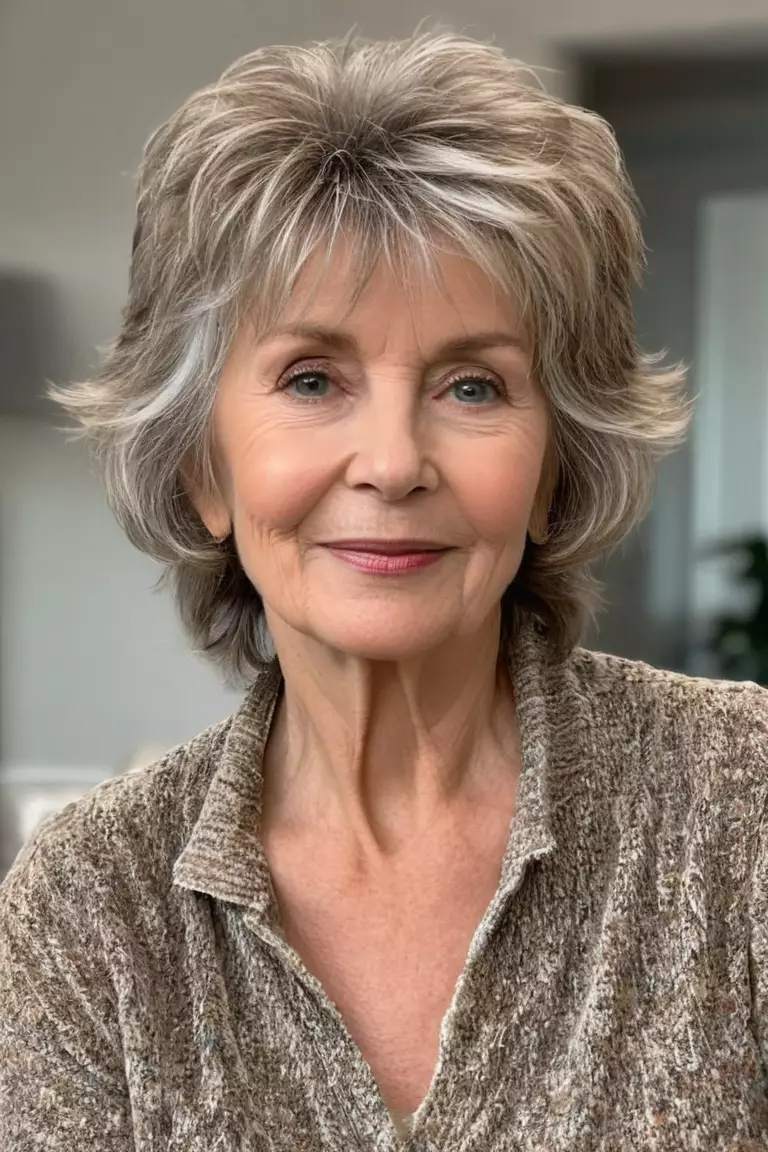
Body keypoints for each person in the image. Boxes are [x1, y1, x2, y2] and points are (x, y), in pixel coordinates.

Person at [1, 26, 766, 1152]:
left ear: (557, 466)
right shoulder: (87, 905)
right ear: (202, 467)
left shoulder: (743, 808)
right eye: (313, 379)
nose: (394, 460)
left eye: (473, 384)